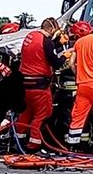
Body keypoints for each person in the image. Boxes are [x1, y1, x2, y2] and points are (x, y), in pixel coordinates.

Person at [15, 17, 70, 151]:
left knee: (26, 112)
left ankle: (19, 141)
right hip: (39, 85)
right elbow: (55, 63)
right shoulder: (46, 41)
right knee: (43, 113)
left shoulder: (31, 36)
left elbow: (42, 51)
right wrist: (65, 56)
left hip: (24, 84)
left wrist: (56, 43)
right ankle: (34, 144)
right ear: (51, 29)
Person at [50, 21, 92, 140]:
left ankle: (68, 144)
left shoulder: (70, 49)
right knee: (84, 117)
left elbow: (58, 65)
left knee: (67, 117)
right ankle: (83, 143)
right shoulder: (90, 46)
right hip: (85, 88)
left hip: (68, 90)